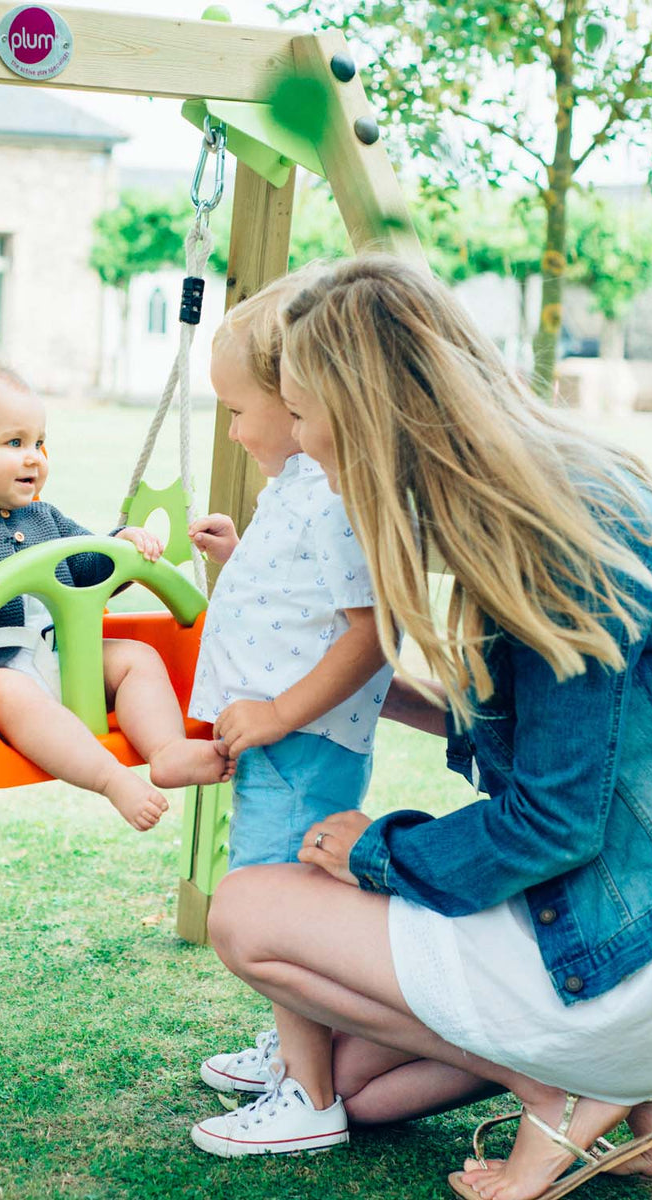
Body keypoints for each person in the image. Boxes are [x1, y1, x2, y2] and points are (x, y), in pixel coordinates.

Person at [189, 255, 652, 1200]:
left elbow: (556, 822)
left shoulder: (560, 540)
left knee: (246, 910)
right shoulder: (551, 490)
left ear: (370, 412)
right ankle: (632, 1087)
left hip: (625, 949)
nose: (301, 438)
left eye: (307, 409)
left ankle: (563, 1091)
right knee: (356, 1088)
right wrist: (385, 696)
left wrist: (376, 854)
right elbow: (570, 750)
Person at [185, 274, 391, 1133]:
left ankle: (308, 1096)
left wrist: (275, 714)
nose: (234, 429)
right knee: (272, 889)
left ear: (295, 397)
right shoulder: (298, 489)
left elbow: (368, 632)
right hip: (284, 739)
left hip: (301, 741)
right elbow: (297, 605)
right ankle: (290, 1047)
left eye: (238, 410)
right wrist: (238, 558)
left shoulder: (333, 498)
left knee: (274, 903)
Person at [0, 358, 233, 831]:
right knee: (6, 690)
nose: (34, 457)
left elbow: (90, 568)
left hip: (59, 652)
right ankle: (111, 780)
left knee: (135, 657)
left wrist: (120, 546)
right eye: (14, 443)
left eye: (39, 442)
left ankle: (165, 751)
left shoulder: (45, 519)